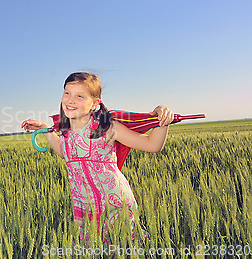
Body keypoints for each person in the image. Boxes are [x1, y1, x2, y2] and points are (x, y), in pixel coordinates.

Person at [21, 72, 174, 241]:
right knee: (92, 249)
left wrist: (162, 119)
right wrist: (44, 128)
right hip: (84, 208)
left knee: (124, 246)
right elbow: (66, 155)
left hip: (115, 204)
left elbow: (152, 145)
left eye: (79, 96)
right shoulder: (65, 133)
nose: (70, 100)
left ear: (94, 104)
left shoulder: (106, 128)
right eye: (67, 93)